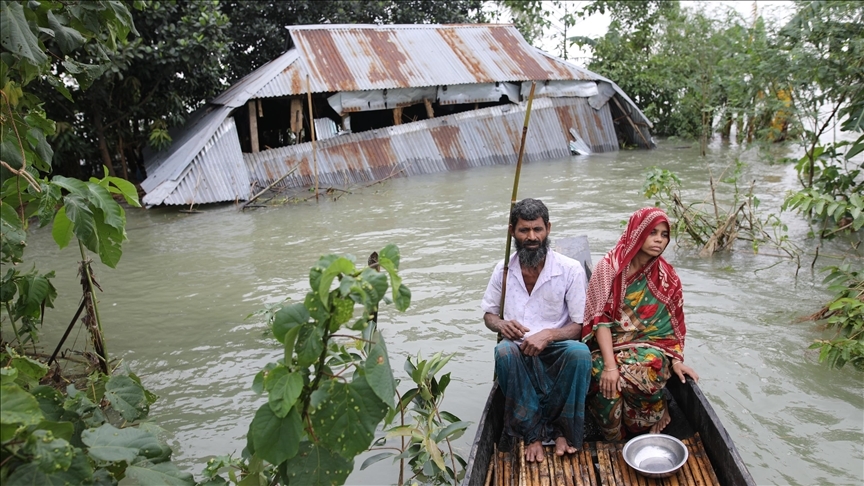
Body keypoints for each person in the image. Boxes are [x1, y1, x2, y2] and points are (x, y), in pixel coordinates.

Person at [481, 198, 592, 463]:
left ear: (548, 229)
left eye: (537, 229)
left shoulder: (570, 269)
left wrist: (549, 335)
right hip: (519, 347)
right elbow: (488, 315)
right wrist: (501, 324)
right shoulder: (503, 270)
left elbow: (578, 326)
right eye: (524, 230)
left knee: (580, 354)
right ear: (512, 232)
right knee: (504, 352)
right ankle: (532, 434)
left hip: (557, 346)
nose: (532, 237)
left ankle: (565, 431)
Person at [581, 207, 699, 441]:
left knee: (650, 367)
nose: (658, 239)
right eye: (652, 232)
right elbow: (600, 320)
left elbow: (672, 325)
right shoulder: (609, 267)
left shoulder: (668, 277)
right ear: (637, 232)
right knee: (603, 380)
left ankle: (652, 414)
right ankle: (614, 437)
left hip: (648, 348)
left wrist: (676, 360)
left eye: (664, 235)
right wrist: (610, 366)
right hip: (606, 346)